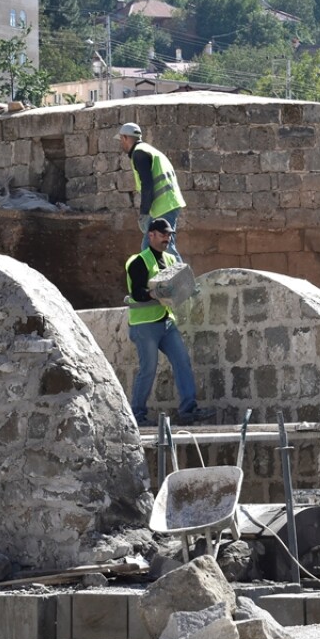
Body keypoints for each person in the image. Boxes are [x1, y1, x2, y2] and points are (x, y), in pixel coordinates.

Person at [126, 218, 215, 428]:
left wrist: (189, 289)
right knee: (148, 369)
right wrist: (154, 293)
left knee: (182, 361)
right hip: (144, 324)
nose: (168, 238)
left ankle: (188, 410)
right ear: (151, 235)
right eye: (163, 234)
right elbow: (137, 293)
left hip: (166, 321)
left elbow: (179, 286)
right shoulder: (138, 261)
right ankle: (137, 415)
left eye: (169, 235)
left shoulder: (170, 260)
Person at [119, 122, 184, 260]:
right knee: (148, 247)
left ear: (125, 138)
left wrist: (144, 214)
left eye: (121, 139)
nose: (121, 143)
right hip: (167, 204)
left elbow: (147, 185)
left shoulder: (139, 154)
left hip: (164, 206)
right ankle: (159, 280)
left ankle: (183, 281)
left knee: (165, 247)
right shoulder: (148, 150)